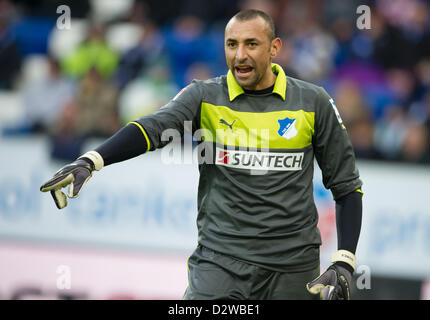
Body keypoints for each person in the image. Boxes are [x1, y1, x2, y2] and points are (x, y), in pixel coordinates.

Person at [40, 9, 363, 300]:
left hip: (294, 270)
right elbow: (153, 128)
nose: (239, 55)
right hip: (220, 266)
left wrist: (345, 259)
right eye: (231, 44)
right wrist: (92, 160)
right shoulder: (204, 96)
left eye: (251, 44)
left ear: (274, 48)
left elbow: (347, 186)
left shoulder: (313, 102)